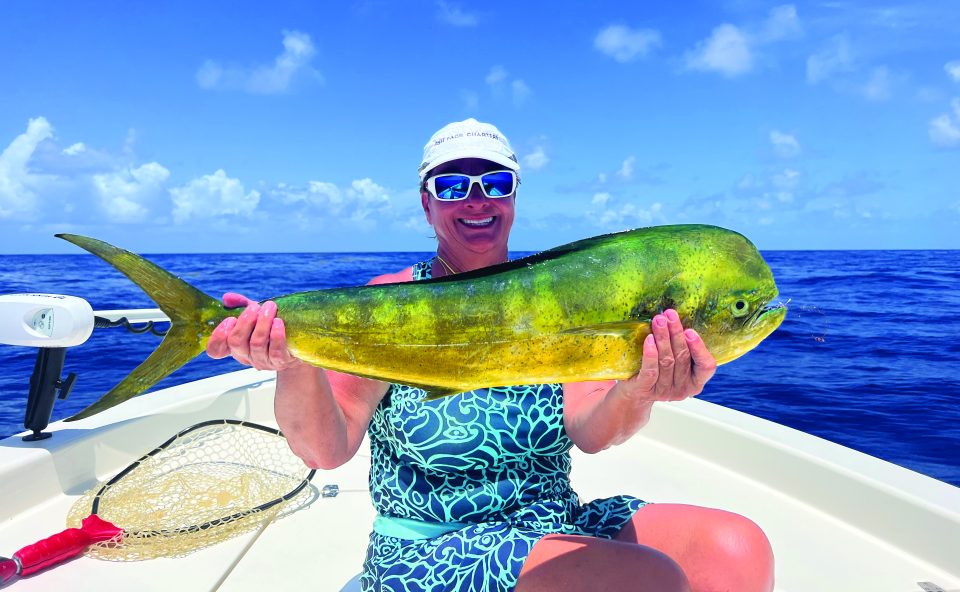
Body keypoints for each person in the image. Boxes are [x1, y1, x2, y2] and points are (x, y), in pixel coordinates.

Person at [206, 118, 775, 592]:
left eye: (494, 182)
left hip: (552, 520)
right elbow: (326, 450)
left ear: (513, 198)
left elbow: (591, 431)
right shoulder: (385, 304)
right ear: (427, 205)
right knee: (646, 581)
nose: (475, 199)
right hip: (431, 545)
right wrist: (293, 362)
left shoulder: (561, 293)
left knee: (735, 550)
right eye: (452, 186)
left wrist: (640, 388)